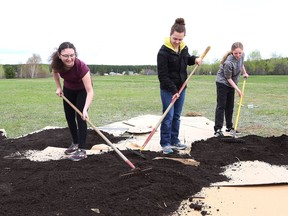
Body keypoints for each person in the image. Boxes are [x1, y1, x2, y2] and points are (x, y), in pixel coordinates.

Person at [157, 18, 202, 154]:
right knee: (168, 116)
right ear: (170, 35)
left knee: (176, 116)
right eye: (175, 38)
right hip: (168, 89)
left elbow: (186, 59)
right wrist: (173, 90)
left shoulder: (183, 48)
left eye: (180, 39)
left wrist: (195, 59)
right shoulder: (163, 52)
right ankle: (165, 143)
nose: (177, 42)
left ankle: (174, 140)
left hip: (182, 87)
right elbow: (163, 76)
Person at [50, 42, 94, 161]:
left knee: (80, 117)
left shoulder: (81, 67)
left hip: (82, 90)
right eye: (65, 55)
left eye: (72, 55)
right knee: (69, 117)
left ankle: (82, 149)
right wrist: (59, 87)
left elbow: (90, 91)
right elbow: (55, 72)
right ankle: (75, 143)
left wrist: (85, 109)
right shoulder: (57, 64)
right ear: (59, 55)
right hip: (68, 88)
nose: (69, 58)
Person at [214, 42, 249, 137]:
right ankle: (217, 129)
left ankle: (229, 127)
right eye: (235, 53)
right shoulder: (228, 62)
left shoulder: (242, 56)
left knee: (230, 106)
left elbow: (241, 64)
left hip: (231, 83)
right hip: (222, 82)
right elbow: (228, 78)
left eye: (240, 53)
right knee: (221, 105)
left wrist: (244, 73)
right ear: (232, 52)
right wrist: (238, 90)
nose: (238, 55)